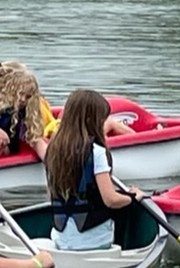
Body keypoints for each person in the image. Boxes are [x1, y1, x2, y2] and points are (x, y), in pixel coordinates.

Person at [44, 88, 143, 251]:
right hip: (94, 242)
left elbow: (51, 194)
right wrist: (133, 197)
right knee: (125, 207)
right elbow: (110, 199)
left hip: (59, 239)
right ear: (92, 120)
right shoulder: (96, 152)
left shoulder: (53, 149)